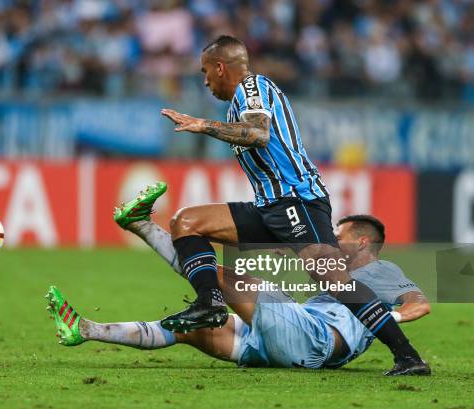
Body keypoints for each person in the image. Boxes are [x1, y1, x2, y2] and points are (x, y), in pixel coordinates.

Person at [143, 34, 429, 375]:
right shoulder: (238, 102)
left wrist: (203, 125)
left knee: (332, 278)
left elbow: (259, 133)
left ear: (221, 68)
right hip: (270, 207)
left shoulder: (252, 88)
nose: (204, 81)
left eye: (206, 71)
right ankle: (210, 303)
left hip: (297, 200)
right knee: (186, 222)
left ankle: (408, 356)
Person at [46, 212, 430, 374]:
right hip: (288, 340)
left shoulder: (382, 271)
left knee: (221, 279)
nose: (329, 236)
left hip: (315, 340)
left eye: (338, 233)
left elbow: (419, 304)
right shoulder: (334, 269)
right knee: (187, 328)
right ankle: (86, 329)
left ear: (363, 242)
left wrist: (389, 318)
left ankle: (143, 226)